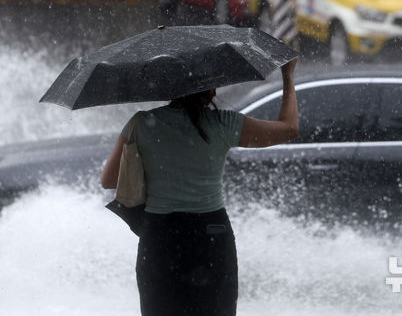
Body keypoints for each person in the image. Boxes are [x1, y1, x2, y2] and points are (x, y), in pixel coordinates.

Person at [100, 58, 299, 316]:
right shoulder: (224, 124)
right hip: (211, 236)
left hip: (160, 238)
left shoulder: (141, 123)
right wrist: (288, 76)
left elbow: (108, 180)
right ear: (209, 88)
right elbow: (289, 129)